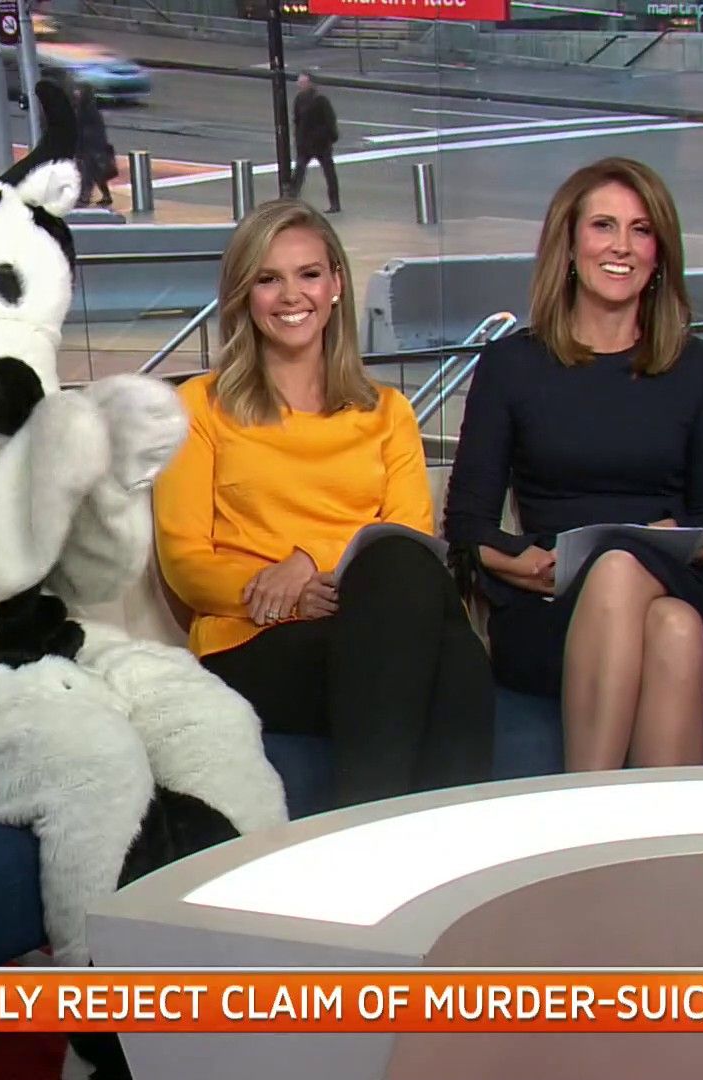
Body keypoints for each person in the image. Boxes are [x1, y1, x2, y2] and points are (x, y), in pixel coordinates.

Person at [154, 199, 492, 806]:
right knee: (453, 658)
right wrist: (286, 596)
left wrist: (311, 563)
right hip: (252, 641)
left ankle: (372, 828)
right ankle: (418, 840)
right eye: (268, 279)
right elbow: (184, 561)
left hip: (373, 620)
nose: (291, 296)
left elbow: (410, 542)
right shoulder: (199, 406)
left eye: (308, 274)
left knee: (414, 589)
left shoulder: (388, 412)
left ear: (336, 284)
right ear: (243, 294)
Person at [444, 158, 703, 772]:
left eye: (641, 229)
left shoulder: (694, 366)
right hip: (551, 607)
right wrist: (521, 562)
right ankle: (647, 832)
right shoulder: (511, 366)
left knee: (630, 574)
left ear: (660, 253)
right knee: (673, 629)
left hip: (673, 577)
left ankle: (585, 808)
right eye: (604, 226)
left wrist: (657, 542)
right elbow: (468, 524)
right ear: (571, 245)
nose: (622, 246)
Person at [290, 73, 342, 213]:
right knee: (299, 172)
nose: (300, 85)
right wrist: (298, 140)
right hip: (305, 144)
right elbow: (297, 121)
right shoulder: (299, 99)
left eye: (303, 83)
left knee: (329, 173)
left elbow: (330, 119)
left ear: (310, 83)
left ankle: (335, 203)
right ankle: (291, 199)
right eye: (299, 83)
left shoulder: (320, 100)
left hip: (321, 143)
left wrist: (331, 137)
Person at [73, 84, 116, 207]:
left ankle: (85, 197)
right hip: (91, 146)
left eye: (79, 91)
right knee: (97, 174)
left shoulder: (87, 110)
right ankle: (105, 195)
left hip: (90, 147)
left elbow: (84, 129)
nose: (76, 93)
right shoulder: (85, 108)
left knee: (88, 173)